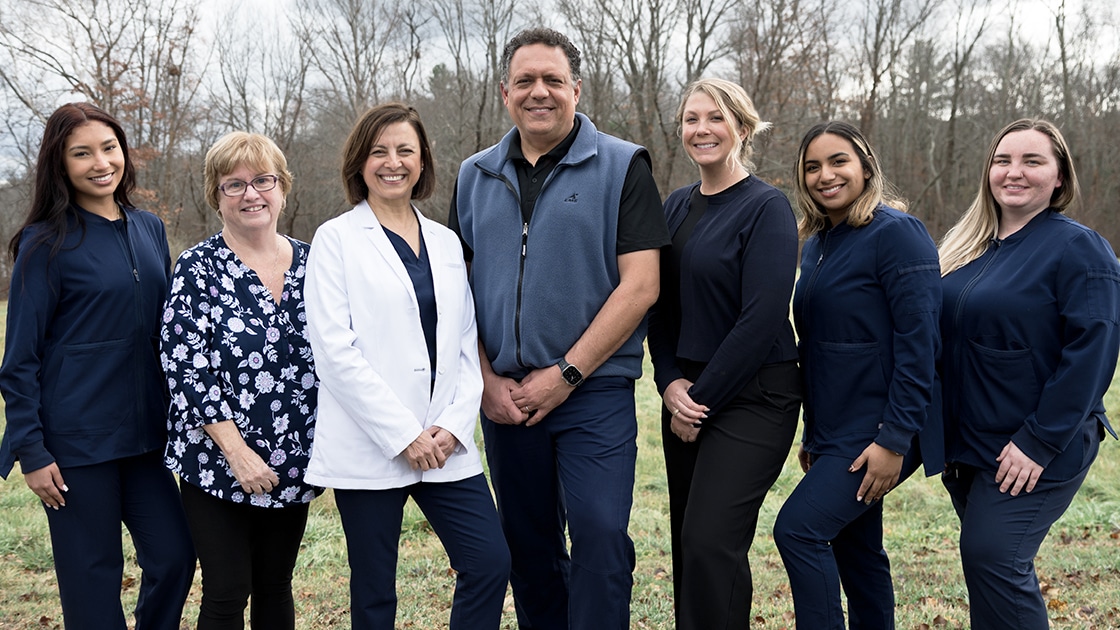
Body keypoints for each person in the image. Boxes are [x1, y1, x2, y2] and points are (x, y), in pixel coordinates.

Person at [448, 27, 669, 630]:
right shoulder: (474, 175)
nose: (538, 92)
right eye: (525, 81)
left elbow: (641, 285)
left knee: (600, 537)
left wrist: (567, 373)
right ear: (504, 91)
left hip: (591, 391)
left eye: (552, 80)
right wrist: (487, 380)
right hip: (507, 400)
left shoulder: (624, 166)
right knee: (530, 548)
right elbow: (457, 292)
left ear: (576, 87)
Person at [304, 103, 510, 630]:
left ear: (422, 163)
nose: (392, 162)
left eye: (404, 151)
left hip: (444, 443)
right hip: (371, 444)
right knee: (375, 590)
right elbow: (333, 350)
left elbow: (466, 343)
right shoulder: (335, 240)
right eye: (379, 151)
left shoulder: (445, 241)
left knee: (488, 561)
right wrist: (402, 434)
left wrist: (450, 426)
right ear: (359, 162)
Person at [0, 102, 195, 628]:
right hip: (75, 445)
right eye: (81, 153)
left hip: (147, 438)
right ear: (60, 165)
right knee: (93, 579)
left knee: (175, 558)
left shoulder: (149, 228)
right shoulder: (46, 242)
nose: (100, 162)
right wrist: (32, 451)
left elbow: (171, 332)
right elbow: (18, 361)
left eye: (109, 147)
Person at [937, 119, 1120, 629]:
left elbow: (1094, 352)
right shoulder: (965, 247)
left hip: (1033, 446)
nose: (1013, 172)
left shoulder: (1079, 248)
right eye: (1002, 160)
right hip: (969, 445)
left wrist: (1039, 440)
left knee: (993, 558)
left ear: (1059, 176)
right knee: (991, 571)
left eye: (1032, 161)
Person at [772, 121, 943, 629]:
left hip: (881, 427)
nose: (825, 175)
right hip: (835, 429)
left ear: (866, 166)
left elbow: (922, 344)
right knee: (857, 551)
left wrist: (894, 440)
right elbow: (822, 348)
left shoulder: (897, 234)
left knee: (799, 530)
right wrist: (814, 434)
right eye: (812, 167)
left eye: (838, 161)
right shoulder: (817, 244)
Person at [647, 78, 800, 629]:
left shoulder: (767, 208)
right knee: (689, 539)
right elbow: (655, 305)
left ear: (742, 126)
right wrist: (669, 384)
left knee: (711, 540)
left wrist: (700, 400)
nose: (701, 129)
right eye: (691, 119)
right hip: (685, 393)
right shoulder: (674, 207)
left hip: (756, 395)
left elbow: (760, 321)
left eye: (715, 117)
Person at [161, 131, 319, 628]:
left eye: (263, 180)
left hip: (293, 458)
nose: (252, 193)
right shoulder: (198, 268)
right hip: (216, 459)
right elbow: (186, 366)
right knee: (228, 590)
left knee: (275, 586)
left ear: (282, 187)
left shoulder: (316, 263)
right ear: (217, 196)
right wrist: (236, 452)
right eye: (235, 185)